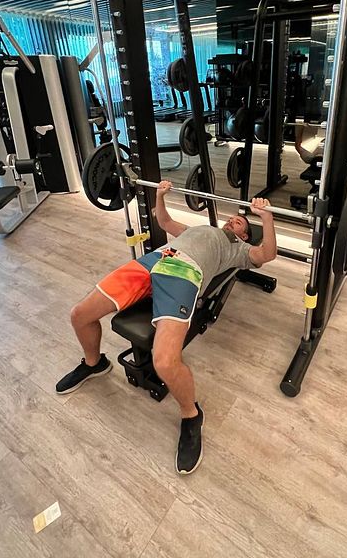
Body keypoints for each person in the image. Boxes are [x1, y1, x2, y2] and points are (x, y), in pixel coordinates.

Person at [56, 181, 277, 475]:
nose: (232, 221)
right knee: (79, 314)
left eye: (239, 222)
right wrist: (160, 196)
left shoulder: (238, 249)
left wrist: (266, 217)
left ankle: (191, 414)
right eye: (232, 218)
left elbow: (267, 254)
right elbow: (164, 222)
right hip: (155, 260)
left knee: (165, 361)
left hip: (183, 273)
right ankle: (94, 363)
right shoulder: (198, 229)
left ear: (244, 235)